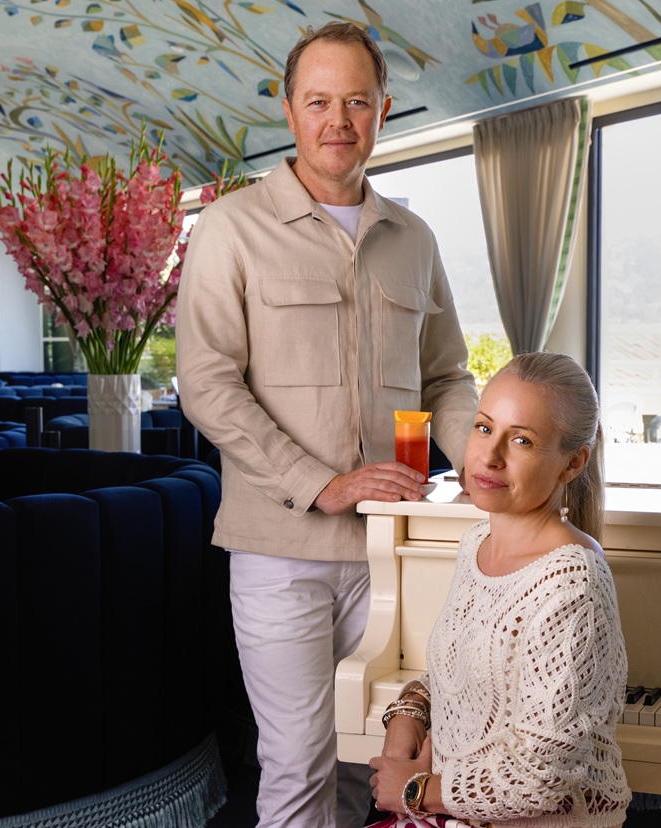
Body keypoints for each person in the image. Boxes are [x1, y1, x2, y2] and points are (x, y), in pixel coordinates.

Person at [175, 20, 480, 828]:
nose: (337, 121)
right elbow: (206, 384)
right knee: (301, 769)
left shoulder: (413, 238)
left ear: (383, 110)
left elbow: (447, 377)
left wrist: (486, 464)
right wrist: (324, 484)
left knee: (369, 769)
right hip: (282, 553)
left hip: (397, 553)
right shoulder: (231, 228)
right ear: (288, 111)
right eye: (318, 102)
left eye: (356, 102)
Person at [367, 352, 631, 827]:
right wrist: (411, 710)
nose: (489, 456)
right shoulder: (476, 543)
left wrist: (416, 790)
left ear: (572, 463)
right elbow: (469, 673)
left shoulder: (571, 581)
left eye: (522, 440)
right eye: (484, 428)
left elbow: (538, 776)